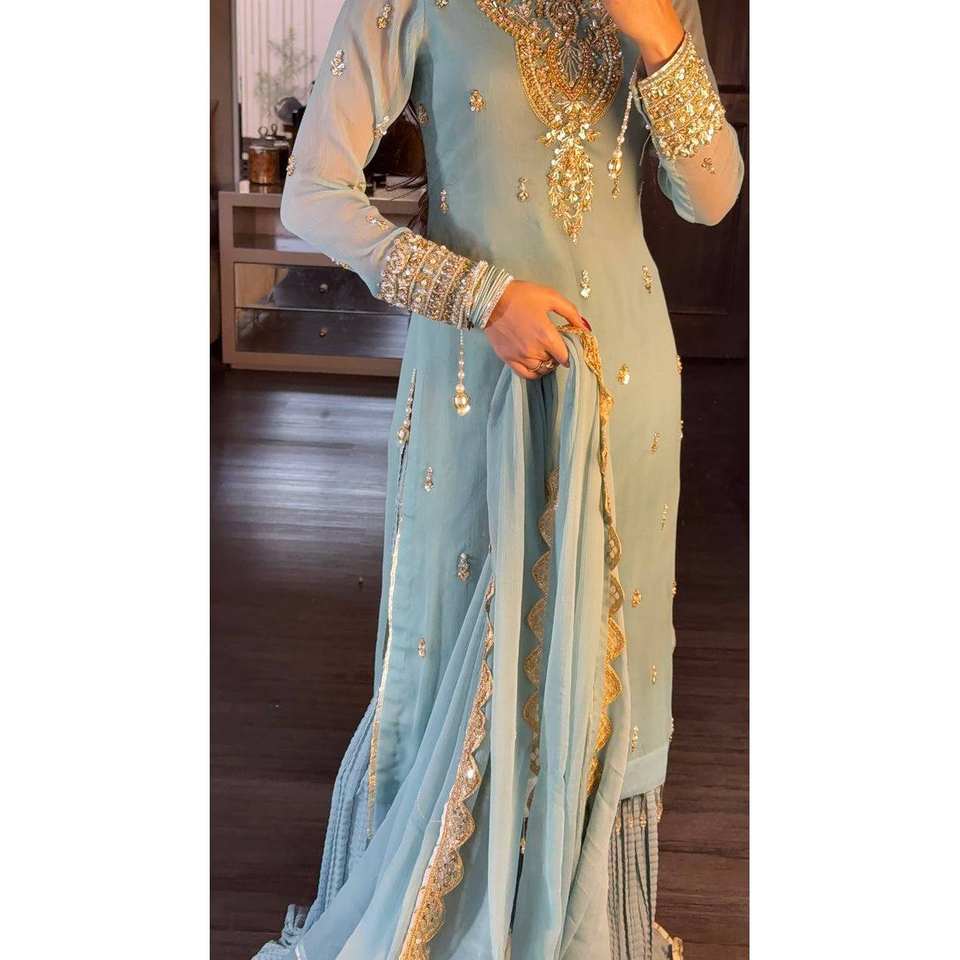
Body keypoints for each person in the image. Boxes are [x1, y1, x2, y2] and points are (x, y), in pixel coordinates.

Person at [256, 1, 743, 957]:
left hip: (624, 390)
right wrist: (478, 297)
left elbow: (712, 196)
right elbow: (311, 192)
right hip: (478, 378)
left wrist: (656, 34)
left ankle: (585, 923)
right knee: (461, 639)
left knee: (605, 668)